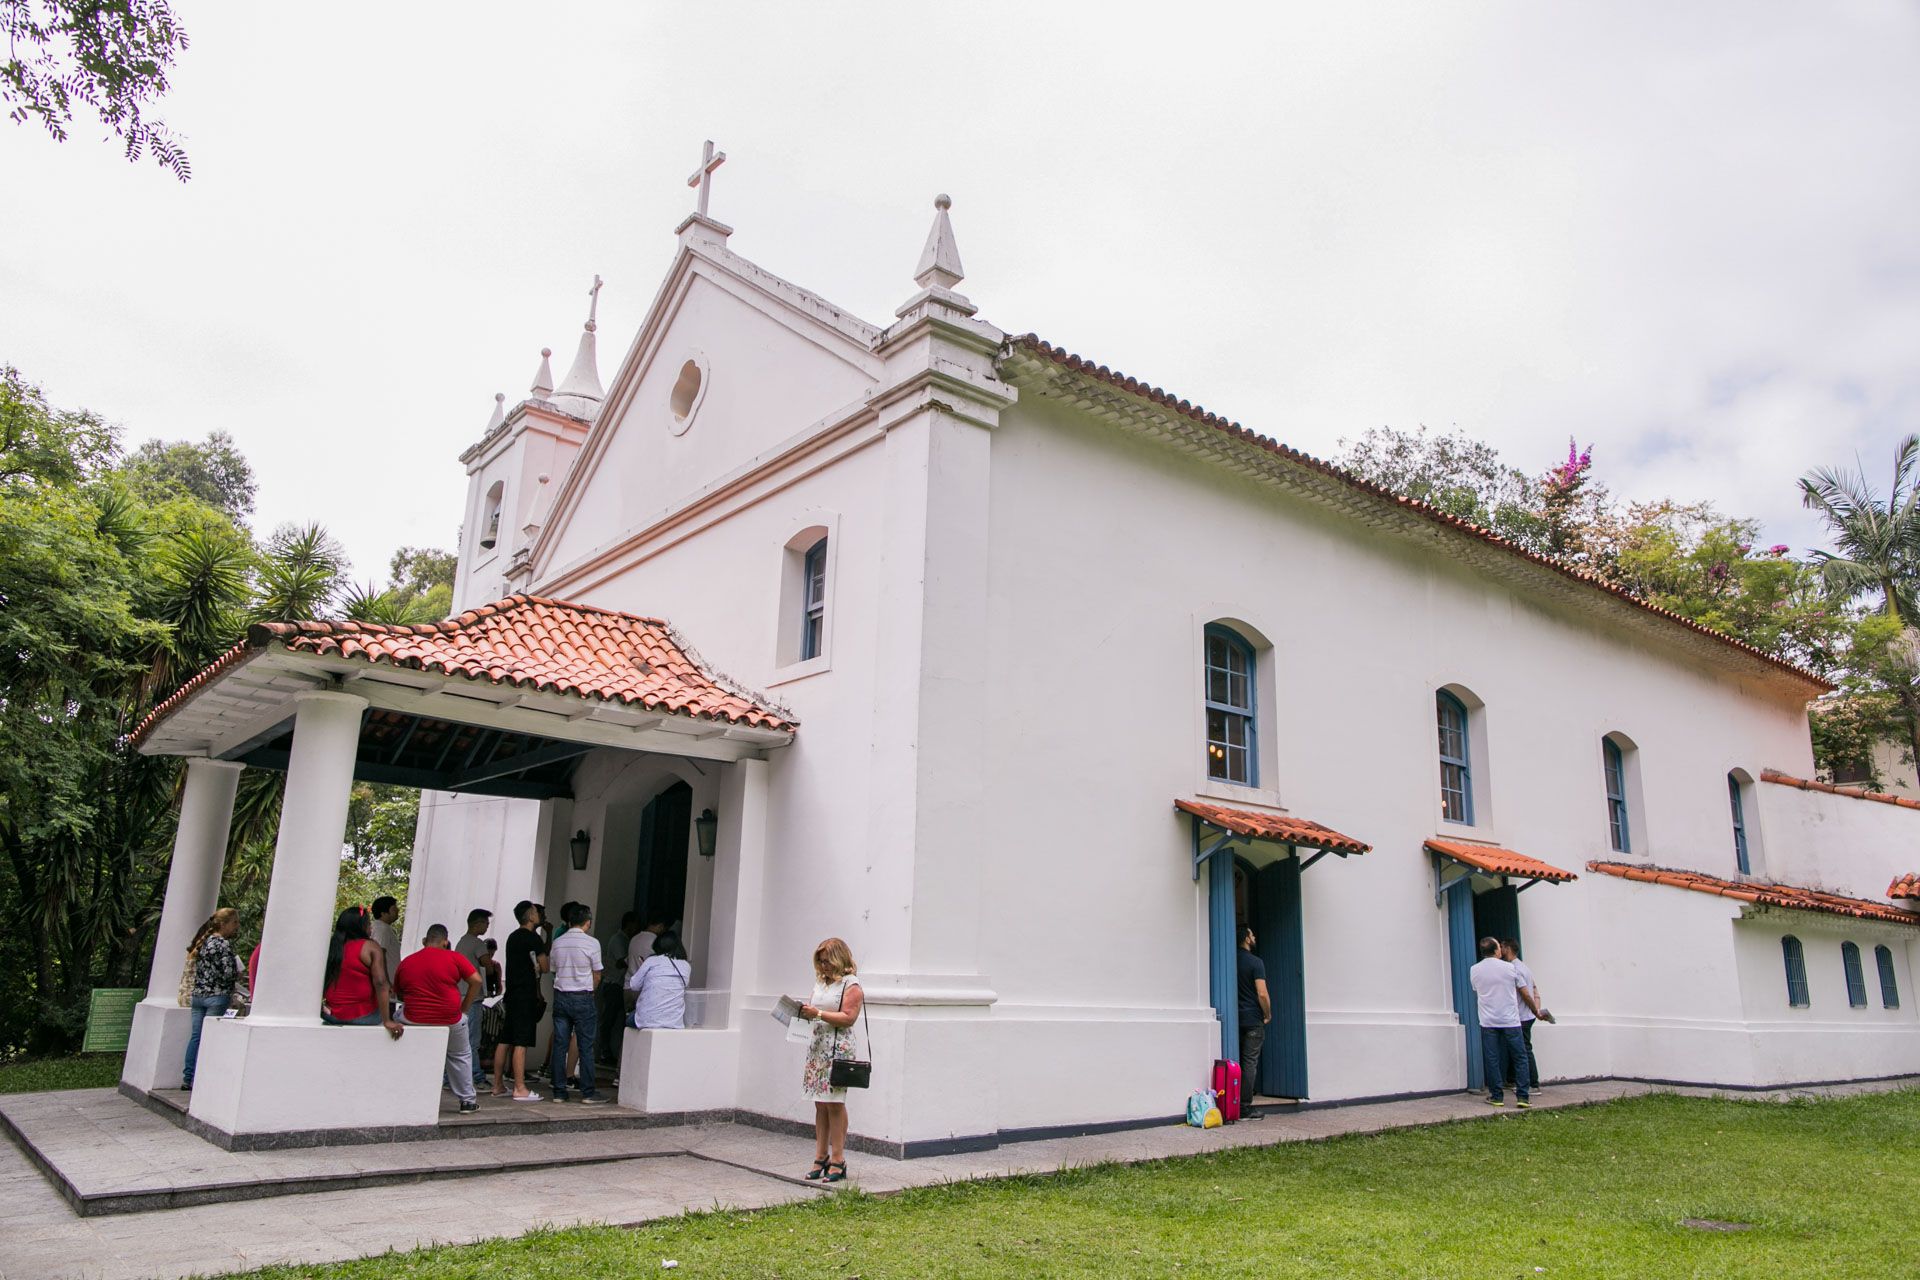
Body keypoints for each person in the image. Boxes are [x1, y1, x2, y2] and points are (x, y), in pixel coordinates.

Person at [393, 923, 486, 1113]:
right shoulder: (454, 957)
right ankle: (467, 1101)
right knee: (460, 1055)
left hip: (413, 1018)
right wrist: (464, 1009)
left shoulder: (407, 962)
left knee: (396, 1013)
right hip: (450, 1018)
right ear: (446, 942)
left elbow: (400, 994)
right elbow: (476, 980)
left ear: (424, 941)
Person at [798, 937, 864, 1183]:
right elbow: (815, 1010)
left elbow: (849, 1017)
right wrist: (804, 1013)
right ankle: (820, 1155)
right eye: (821, 961)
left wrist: (819, 1014)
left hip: (837, 1049)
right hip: (818, 1048)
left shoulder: (851, 984)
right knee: (820, 1103)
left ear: (839, 959)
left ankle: (838, 1159)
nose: (824, 966)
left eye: (828, 961)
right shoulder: (820, 983)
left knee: (835, 1103)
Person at [1469, 936, 1541, 1107]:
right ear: (1496, 950)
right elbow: (1524, 992)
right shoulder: (1510, 968)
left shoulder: (1474, 970)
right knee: (1520, 1057)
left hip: (1488, 1021)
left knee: (1492, 1058)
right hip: (1510, 1020)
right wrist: (1535, 1010)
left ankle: (1496, 1096)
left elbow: (1476, 990)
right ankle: (1523, 1096)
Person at [548, 902, 606, 1103]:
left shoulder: (558, 942)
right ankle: (588, 1092)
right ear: (587, 922)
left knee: (560, 1045)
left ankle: (558, 1091)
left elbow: (553, 969)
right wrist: (591, 992)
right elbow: (597, 974)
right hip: (583, 996)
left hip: (561, 996)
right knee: (585, 1046)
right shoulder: (592, 943)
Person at [181, 908, 242, 1090]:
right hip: (217, 996)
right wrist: (236, 975)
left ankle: (188, 1077)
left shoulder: (204, 942)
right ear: (224, 924)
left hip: (199, 996)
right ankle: (204, 1078)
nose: (236, 927)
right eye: (234, 923)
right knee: (211, 1037)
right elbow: (228, 974)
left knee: (196, 1037)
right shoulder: (222, 945)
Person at [492, 901, 548, 1101]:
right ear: (530, 916)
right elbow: (545, 966)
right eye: (535, 912)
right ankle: (520, 1087)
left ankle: (497, 1085)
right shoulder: (534, 938)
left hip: (512, 994)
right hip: (526, 994)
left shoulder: (512, 937)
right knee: (521, 1042)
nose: (538, 915)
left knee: (505, 1039)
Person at [323, 906, 404, 1039]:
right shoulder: (370, 946)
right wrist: (387, 1020)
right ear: (361, 926)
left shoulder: (332, 947)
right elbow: (380, 983)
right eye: (368, 924)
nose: (371, 928)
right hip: (361, 1016)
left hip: (331, 1015)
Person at [1501, 939, 1549, 1094]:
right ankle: (1513, 1079)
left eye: (1502, 947)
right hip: (1527, 1015)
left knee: (1524, 1050)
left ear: (1507, 949)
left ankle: (1533, 1084)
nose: (1500, 950)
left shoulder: (1514, 969)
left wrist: (1535, 1010)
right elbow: (1534, 989)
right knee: (1519, 1049)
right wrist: (1537, 1010)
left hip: (1522, 1015)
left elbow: (1525, 993)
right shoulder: (1524, 967)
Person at [455, 909, 493, 1089]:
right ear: (477, 924)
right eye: (486, 923)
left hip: (459, 994)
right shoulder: (478, 944)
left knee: (458, 1038)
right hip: (473, 996)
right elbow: (489, 967)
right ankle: (476, 1076)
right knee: (473, 1039)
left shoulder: (461, 943)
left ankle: (450, 1077)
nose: (487, 926)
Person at [1236, 924, 1271, 1116]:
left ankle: (1235, 1099)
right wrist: (1267, 1014)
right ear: (1247, 939)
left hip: (1236, 1019)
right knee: (1249, 1062)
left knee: (1237, 1060)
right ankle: (1244, 1106)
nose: (1255, 937)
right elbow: (1262, 993)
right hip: (1252, 1019)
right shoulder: (1255, 962)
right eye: (1252, 934)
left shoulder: (1230, 960)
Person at [628, 931, 691, 1030]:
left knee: (629, 1018)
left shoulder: (651, 961)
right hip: (674, 1022)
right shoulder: (686, 966)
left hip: (647, 1020)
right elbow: (684, 985)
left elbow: (634, 985)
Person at [598, 911, 638, 1066]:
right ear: (629, 923)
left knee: (619, 1021)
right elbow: (620, 962)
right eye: (635, 923)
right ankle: (604, 1052)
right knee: (609, 1020)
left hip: (621, 985)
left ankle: (614, 1054)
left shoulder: (627, 940)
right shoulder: (618, 940)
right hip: (614, 984)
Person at [369, 895, 401, 983]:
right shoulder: (382, 929)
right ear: (383, 913)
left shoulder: (379, 927)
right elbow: (379, 955)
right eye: (394, 909)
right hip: (387, 982)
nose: (398, 910)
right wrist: (386, 982)